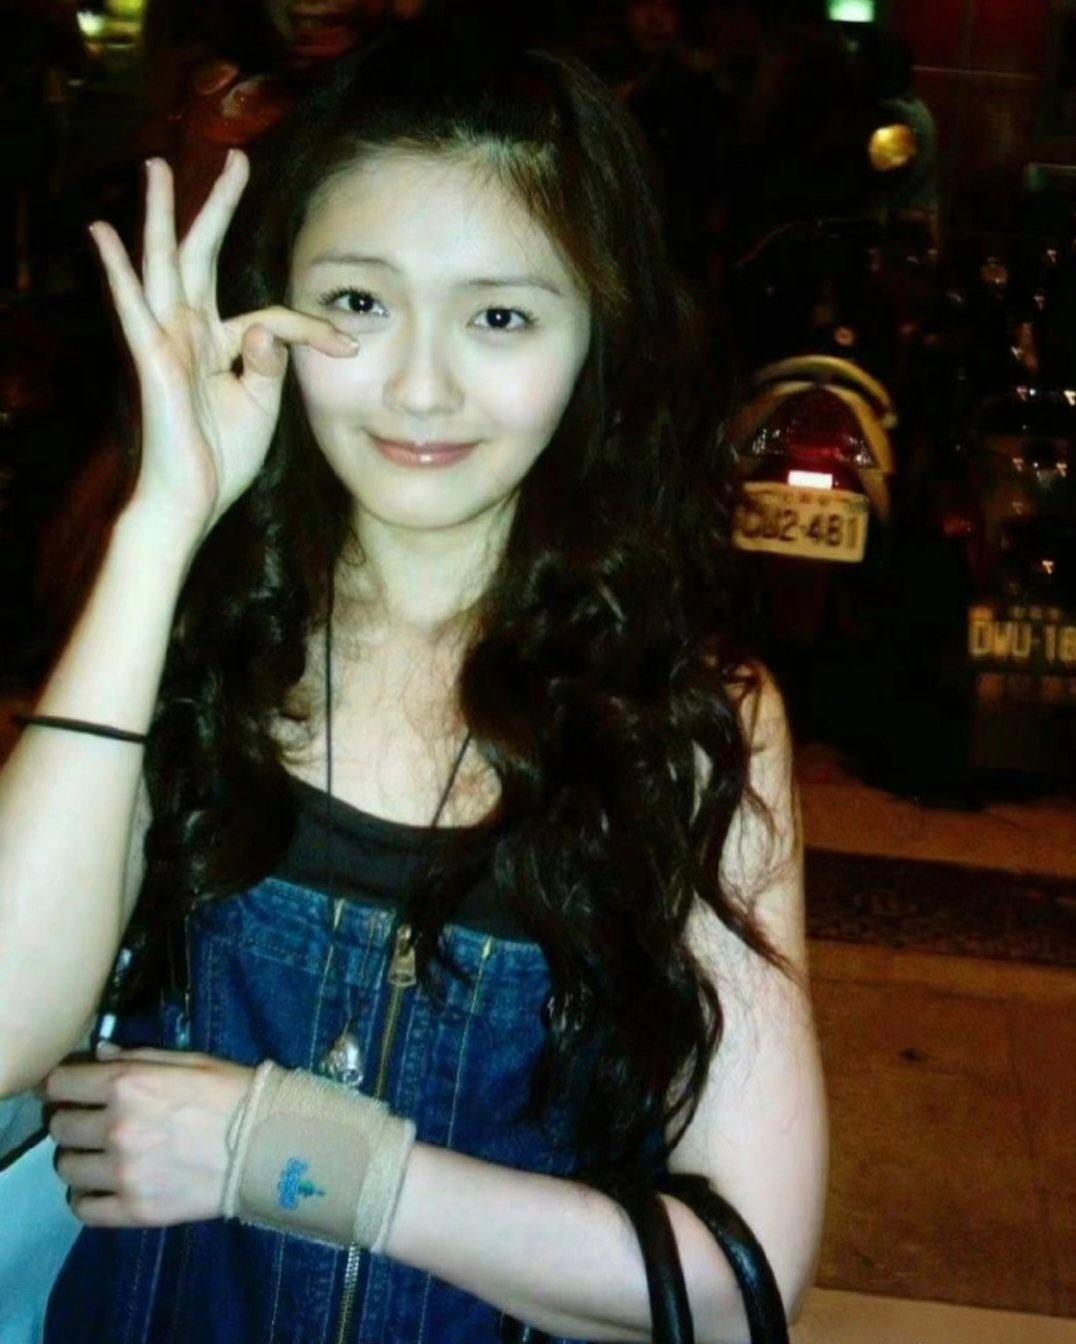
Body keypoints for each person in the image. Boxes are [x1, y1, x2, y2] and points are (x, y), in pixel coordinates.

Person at [0, 14, 828, 1343]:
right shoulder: (186, 634)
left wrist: (301, 1161)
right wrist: (163, 523)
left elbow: (738, 1286)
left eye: (499, 315)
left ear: (598, 340)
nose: (422, 387)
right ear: (274, 307)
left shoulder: (688, 718)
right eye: (359, 304)